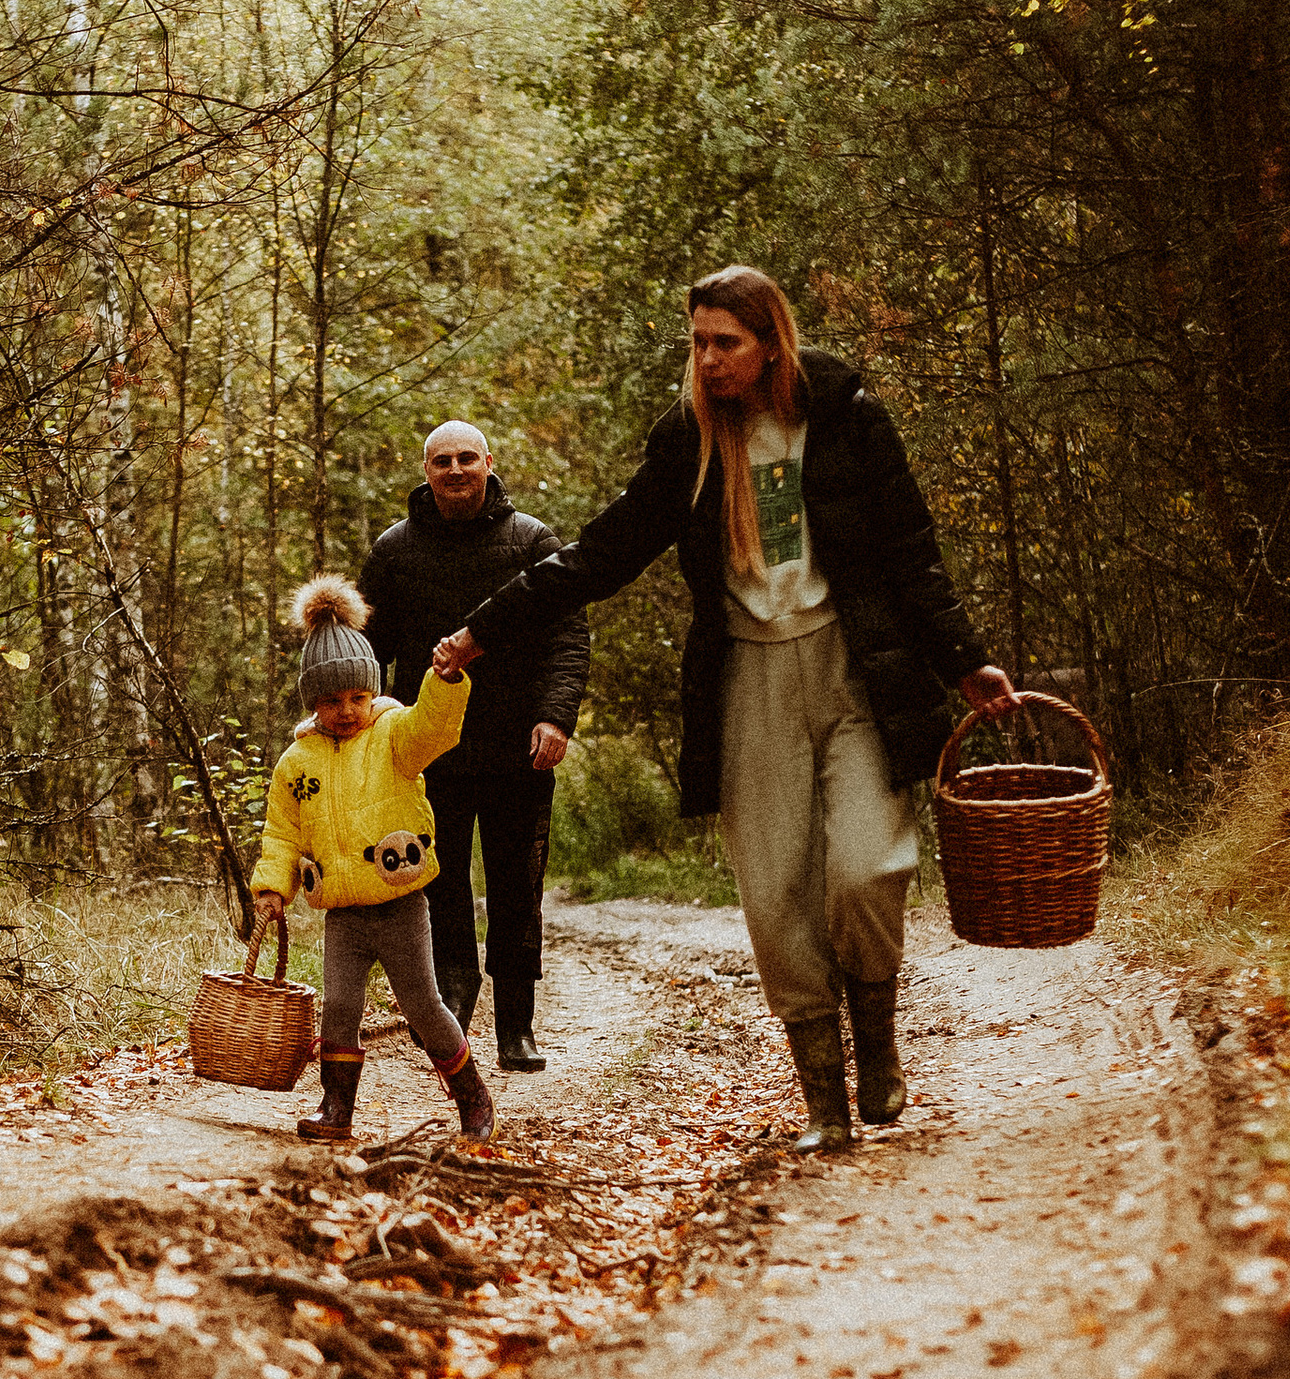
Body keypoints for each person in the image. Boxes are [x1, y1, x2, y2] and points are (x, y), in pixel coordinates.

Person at [434, 268, 1018, 1152]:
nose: (707, 361)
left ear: (771, 344)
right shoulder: (687, 443)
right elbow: (601, 553)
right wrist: (485, 628)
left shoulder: (847, 414)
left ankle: (877, 1044)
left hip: (855, 670)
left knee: (867, 867)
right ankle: (824, 1102)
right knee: (775, 895)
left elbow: (912, 551)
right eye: (698, 343)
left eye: (726, 343)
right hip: (749, 681)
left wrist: (964, 660)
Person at [359, 416, 588, 1073]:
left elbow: (568, 635)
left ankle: (517, 1025)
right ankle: (453, 1008)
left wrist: (555, 717)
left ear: (489, 463)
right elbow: (366, 650)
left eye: (466, 458)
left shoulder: (531, 541)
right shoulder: (393, 550)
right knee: (439, 883)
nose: (455, 470)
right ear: (425, 473)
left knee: (518, 887)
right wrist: (361, 726)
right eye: (442, 461)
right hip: (428, 753)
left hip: (520, 749)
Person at [250, 575, 497, 1149]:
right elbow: (282, 832)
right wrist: (272, 888)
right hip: (344, 911)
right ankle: (337, 1106)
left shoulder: (393, 735)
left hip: (399, 904)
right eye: (331, 700)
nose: (346, 710)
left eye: (357, 698)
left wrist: (446, 680)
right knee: (338, 1006)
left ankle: (471, 1096)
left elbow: (433, 728)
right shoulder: (297, 762)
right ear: (313, 701)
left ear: (372, 692)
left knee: (423, 1005)